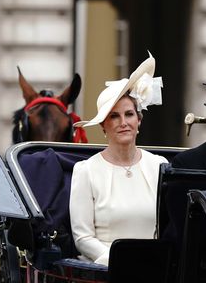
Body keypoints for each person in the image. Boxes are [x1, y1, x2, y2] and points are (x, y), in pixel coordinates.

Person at [69, 53, 167, 266]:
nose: (123, 122)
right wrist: (119, 261)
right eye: (114, 116)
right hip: (107, 271)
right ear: (103, 126)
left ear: (139, 120)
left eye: (129, 114)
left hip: (155, 270)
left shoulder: (159, 165)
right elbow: (83, 238)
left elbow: (168, 229)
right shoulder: (85, 170)